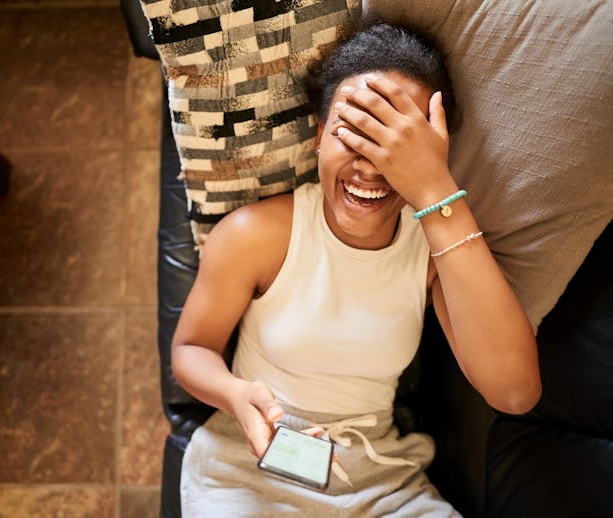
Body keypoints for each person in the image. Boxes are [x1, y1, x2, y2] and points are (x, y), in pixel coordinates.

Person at [171, 22, 541, 517]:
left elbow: (515, 392)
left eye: (396, 145)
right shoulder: (254, 235)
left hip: (380, 482)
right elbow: (191, 349)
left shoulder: (434, 250)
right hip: (253, 464)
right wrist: (236, 395)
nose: (369, 167)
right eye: (354, 134)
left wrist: (434, 192)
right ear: (319, 136)